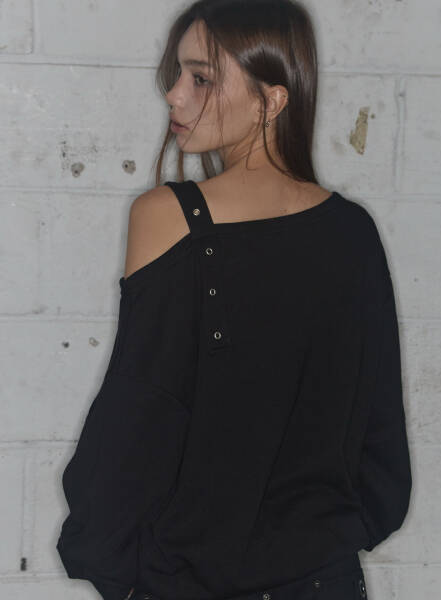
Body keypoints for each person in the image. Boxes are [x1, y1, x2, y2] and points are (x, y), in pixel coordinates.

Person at [56, 1, 412, 599]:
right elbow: (379, 439)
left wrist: (109, 564)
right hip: (327, 580)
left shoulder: (170, 218)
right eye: (177, 74)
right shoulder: (354, 231)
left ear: (271, 101)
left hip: (190, 583)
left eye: (200, 78)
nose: (173, 95)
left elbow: (133, 428)